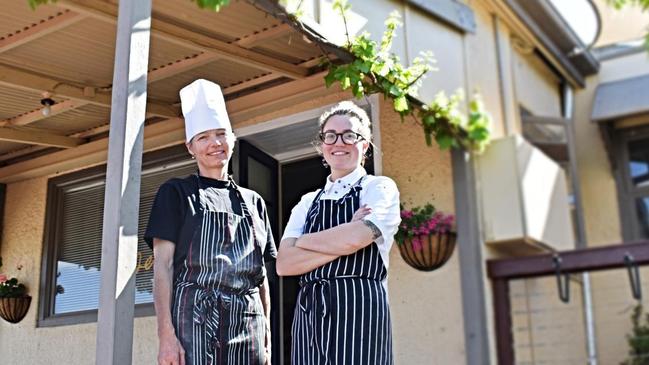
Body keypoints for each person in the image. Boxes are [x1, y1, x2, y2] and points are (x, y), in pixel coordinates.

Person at [145, 79, 276, 365]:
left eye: (220, 134)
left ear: (233, 138)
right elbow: (163, 267)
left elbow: (262, 276)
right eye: (203, 137)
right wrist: (166, 335)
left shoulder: (254, 202)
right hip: (194, 319)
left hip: (247, 322)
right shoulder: (175, 193)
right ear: (189, 147)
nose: (215, 144)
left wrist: (266, 333)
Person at [276, 101, 400, 365]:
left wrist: (304, 242)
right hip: (309, 313)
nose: (338, 142)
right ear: (322, 145)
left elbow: (359, 236)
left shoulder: (378, 188)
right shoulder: (307, 202)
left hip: (360, 309)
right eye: (330, 136)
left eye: (350, 135)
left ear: (364, 144)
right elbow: (284, 263)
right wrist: (344, 237)